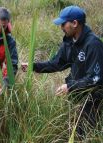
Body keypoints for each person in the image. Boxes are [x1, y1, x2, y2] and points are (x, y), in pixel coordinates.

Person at [21, 6, 103, 139]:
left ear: (75, 23)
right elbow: (56, 64)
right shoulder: (69, 41)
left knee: (85, 134)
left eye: (63, 24)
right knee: (72, 130)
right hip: (75, 95)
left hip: (92, 99)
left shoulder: (94, 44)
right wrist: (33, 66)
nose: (61, 27)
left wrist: (69, 86)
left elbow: (95, 78)